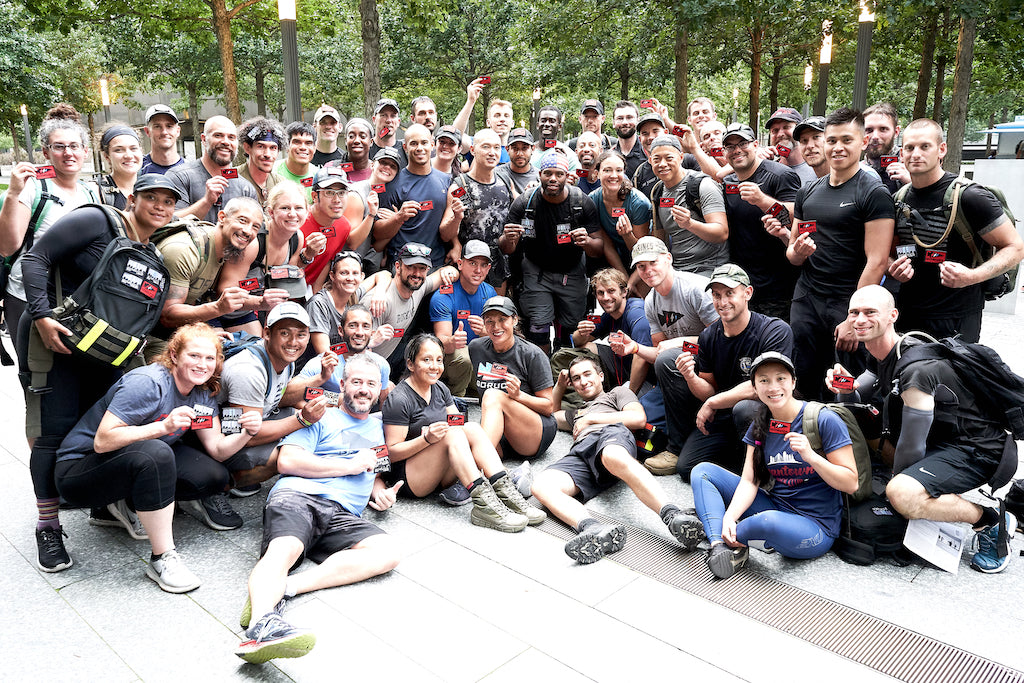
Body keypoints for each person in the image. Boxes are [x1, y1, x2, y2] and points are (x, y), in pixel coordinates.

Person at [17, 174, 180, 573]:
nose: (159, 206)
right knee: (52, 433)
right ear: (132, 198)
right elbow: (35, 259)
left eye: (168, 201)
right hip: (54, 342)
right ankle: (48, 525)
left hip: (102, 352)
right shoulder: (97, 220)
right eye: (151, 197)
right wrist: (40, 315)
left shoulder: (151, 253)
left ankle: (99, 505)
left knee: (97, 430)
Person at [54, 324, 262, 592]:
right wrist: (162, 428)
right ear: (174, 355)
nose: (203, 364)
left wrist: (247, 432)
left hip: (131, 457)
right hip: (78, 469)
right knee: (158, 451)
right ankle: (162, 558)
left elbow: (218, 449)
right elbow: (103, 441)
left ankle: (124, 502)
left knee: (213, 477)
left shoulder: (201, 391)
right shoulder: (148, 383)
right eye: (194, 356)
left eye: (210, 358)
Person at [833, 285, 1016, 573]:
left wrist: (895, 496)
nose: (859, 320)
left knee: (902, 493)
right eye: (854, 312)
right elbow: (856, 401)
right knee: (849, 419)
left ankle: (990, 520)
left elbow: (913, 446)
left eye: (870, 312)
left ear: (893, 315)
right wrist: (844, 387)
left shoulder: (916, 369)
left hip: (978, 450)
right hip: (940, 442)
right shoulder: (879, 352)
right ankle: (921, 495)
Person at [235, 355, 401, 664]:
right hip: (299, 497)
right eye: (356, 382)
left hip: (343, 514)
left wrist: (380, 492)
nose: (363, 390)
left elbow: (372, 472)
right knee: (284, 550)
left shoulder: (379, 430)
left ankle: (286, 587)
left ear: (380, 390)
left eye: (370, 384)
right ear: (342, 385)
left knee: (388, 552)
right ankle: (262, 624)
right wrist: (347, 465)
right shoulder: (321, 417)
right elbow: (288, 461)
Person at [690, 351, 858, 579]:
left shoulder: (823, 419)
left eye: (780, 378)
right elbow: (750, 480)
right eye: (764, 380)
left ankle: (716, 526)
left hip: (814, 526)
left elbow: (850, 483)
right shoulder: (760, 426)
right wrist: (729, 517)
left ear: (793, 382)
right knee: (703, 472)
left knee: (768, 522)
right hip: (774, 505)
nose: (773, 387)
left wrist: (811, 456)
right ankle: (719, 544)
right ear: (755, 388)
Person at [532, 356, 701, 563]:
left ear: (601, 376)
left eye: (587, 374)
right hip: (581, 454)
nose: (583, 381)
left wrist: (592, 419)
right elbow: (551, 415)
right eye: (576, 378)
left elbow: (637, 419)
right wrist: (559, 386)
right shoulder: (576, 413)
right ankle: (592, 529)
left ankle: (672, 514)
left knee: (612, 455)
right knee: (540, 486)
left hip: (611, 436)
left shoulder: (617, 393)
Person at [782, 108, 894, 398]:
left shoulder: (873, 192)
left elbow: (878, 260)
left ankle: (845, 441)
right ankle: (804, 436)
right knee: (803, 375)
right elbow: (791, 256)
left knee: (844, 385)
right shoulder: (808, 191)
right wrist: (799, 252)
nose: (837, 147)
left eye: (847, 139)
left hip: (846, 300)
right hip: (806, 298)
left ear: (862, 143)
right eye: (831, 140)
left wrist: (853, 316)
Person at [381, 334, 542, 529]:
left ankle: (510, 496)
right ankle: (484, 507)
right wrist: (427, 439)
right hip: (410, 479)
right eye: (426, 360)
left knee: (471, 428)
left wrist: (443, 436)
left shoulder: (439, 388)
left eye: (439, 360)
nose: (435, 366)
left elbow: (457, 423)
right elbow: (391, 453)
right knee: (453, 433)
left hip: (440, 469)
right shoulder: (399, 399)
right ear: (411, 364)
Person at [652, 263, 793, 481]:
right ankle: (739, 461)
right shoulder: (709, 336)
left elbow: (764, 385)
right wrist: (690, 376)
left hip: (767, 412)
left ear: (747, 293)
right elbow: (708, 391)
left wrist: (712, 403)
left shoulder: (774, 330)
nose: (723, 302)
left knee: (744, 409)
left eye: (730, 293)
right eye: (717, 295)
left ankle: (766, 471)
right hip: (726, 413)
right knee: (686, 468)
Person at [886, 118, 1023, 343]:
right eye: (909, 147)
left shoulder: (971, 197)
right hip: (907, 314)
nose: (915, 153)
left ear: (941, 149)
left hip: (957, 321)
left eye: (924, 146)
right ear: (901, 153)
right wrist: (894, 266)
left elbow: (1015, 248)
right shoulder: (898, 200)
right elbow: (888, 252)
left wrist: (971, 276)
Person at [200, 302, 325, 528]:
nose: (293, 342)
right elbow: (248, 434)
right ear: (267, 333)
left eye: (301, 334)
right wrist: (301, 419)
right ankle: (213, 488)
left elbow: (278, 396)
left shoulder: (286, 359)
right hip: (217, 438)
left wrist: (319, 385)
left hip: (248, 422)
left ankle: (239, 475)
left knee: (311, 428)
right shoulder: (248, 370)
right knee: (285, 458)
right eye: (284, 333)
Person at [0, 109, 98, 330]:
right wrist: (13, 194)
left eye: (74, 146)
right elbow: (7, 247)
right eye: (59, 147)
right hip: (28, 299)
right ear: (46, 152)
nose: (68, 153)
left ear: (85, 151)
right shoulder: (33, 188)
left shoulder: (90, 192)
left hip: (74, 301)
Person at [153, 197, 289, 350]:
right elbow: (167, 316)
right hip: (150, 336)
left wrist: (205, 332)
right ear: (222, 218)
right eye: (242, 221)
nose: (248, 231)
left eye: (255, 227)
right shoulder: (185, 251)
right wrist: (217, 309)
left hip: (180, 331)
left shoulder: (227, 249)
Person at [503, 150, 604, 352]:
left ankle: (565, 365)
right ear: (539, 174)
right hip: (536, 271)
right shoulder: (525, 203)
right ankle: (541, 370)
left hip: (572, 271)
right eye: (548, 173)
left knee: (572, 328)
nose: (553, 179)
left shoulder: (582, 203)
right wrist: (509, 238)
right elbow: (506, 248)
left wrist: (587, 243)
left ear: (567, 176)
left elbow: (598, 248)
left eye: (559, 174)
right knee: (538, 326)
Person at [720, 122, 801, 321]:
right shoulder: (729, 183)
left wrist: (763, 201)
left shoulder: (781, 175)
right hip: (742, 282)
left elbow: (796, 216)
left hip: (778, 285)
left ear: (756, 145)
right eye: (730, 146)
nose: (737, 150)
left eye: (743, 143)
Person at [470, 296, 557, 464]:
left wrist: (518, 396)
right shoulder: (476, 348)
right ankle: (498, 475)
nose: (496, 327)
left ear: (515, 320)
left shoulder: (532, 354)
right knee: (466, 441)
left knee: (493, 396)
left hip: (536, 431)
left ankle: (473, 476)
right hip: (502, 430)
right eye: (490, 321)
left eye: (502, 319)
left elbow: (548, 407)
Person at [365, 243, 457, 378]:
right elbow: (358, 349)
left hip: (392, 355)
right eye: (410, 267)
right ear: (398, 267)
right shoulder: (380, 301)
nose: (417, 273)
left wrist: (449, 271)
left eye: (422, 268)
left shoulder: (419, 287)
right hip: (369, 364)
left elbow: (448, 272)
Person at [442, 129, 515, 291]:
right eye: (486, 147)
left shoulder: (505, 181)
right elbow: (445, 234)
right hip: (469, 262)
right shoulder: (460, 185)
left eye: (496, 147)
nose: (492, 153)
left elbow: (521, 207)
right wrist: (456, 219)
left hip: (497, 263)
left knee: (496, 312)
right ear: (473, 150)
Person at [374, 124, 455, 269]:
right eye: (413, 143)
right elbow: (377, 234)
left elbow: (448, 221)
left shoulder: (446, 180)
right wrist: (398, 218)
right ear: (405, 147)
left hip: (436, 264)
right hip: (403, 265)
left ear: (432, 145)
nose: (419, 148)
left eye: (424, 142)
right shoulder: (393, 184)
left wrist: (457, 245)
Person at [647, 135, 728, 276]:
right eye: (656, 159)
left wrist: (690, 223)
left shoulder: (702, 185)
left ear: (681, 157)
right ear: (650, 161)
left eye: (669, 158)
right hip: (676, 270)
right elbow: (660, 241)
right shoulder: (657, 191)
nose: (662, 164)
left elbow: (721, 233)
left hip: (710, 269)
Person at [431, 240, 497, 396]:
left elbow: (500, 339)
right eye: (473, 263)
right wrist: (453, 341)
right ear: (460, 264)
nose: (478, 270)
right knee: (463, 357)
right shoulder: (443, 295)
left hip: (478, 356)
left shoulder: (490, 293)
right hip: (449, 358)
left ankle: (481, 395)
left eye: (483, 265)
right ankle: (454, 399)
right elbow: (441, 344)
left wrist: (485, 332)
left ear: (488, 269)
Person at [166, 115, 259, 224]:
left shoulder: (245, 188)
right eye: (218, 135)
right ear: (204, 139)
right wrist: (206, 201)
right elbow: (168, 221)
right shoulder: (179, 177)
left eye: (231, 137)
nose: (226, 142)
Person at [305, 250, 390, 355]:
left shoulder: (352, 294)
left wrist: (379, 292)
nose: (350, 278)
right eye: (343, 273)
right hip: (318, 367)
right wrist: (368, 343)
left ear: (362, 276)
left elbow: (384, 274)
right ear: (332, 276)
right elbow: (325, 354)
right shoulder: (319, 304)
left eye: (355, 273)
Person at [589, 150, 652, 276]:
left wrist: (627, 235)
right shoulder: (592, 200)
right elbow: (607, 244)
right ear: (597, 174)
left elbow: (642, 251)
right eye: (607, 170)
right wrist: (623, 277)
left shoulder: (639, 203)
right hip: (612, 258)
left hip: (642, 258)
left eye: (618, 170)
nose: (613, 175)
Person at [236, 117, 285, 205]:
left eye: (273, 148)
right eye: (261, 146)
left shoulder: (281, 184)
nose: (267, 154)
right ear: (247, 148)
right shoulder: (233, 179)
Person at [862, 102, 909, 193]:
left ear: (896, 132)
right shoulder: (854, 170)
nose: (875, 136)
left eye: (883, 129)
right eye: (869, 130)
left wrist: (914, 184)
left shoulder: (913, 164)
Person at [764, 107, 817, 185]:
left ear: (799, 132)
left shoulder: (817, 167)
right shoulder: (767, 170)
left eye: (786, 127)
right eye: (775, 130)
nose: (780, 134)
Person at [96, 124, 143, 209]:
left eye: (133, 148)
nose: (128, 155)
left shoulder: (152, 187)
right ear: (107, 156)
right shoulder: (97, 193)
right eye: (119, 150)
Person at [274, 122, 319, 201]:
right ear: (287, 146)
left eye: (308, 143)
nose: (303, 147)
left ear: (315, 148)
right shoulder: (273, 172)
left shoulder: (318, 176)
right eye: (297, 142)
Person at [140, 104, 184, 175]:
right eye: (157, 126)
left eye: (169, 126)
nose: (164, 132)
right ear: (147, 131)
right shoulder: (137, 170)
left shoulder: (191, 171)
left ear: (178, 131)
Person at [494, 127, 539, 196]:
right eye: (515, 148)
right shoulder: (497, 174)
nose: (520, 153)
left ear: (532, 149)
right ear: (507, 149)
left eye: (524, 148)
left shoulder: (540, 177)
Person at [611, 101, 645, 179]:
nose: (625, 122)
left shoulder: (648, 153)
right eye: (620, 118)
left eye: (629, 117)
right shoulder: (610, 155)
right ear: (614, 123)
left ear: (638, 121)